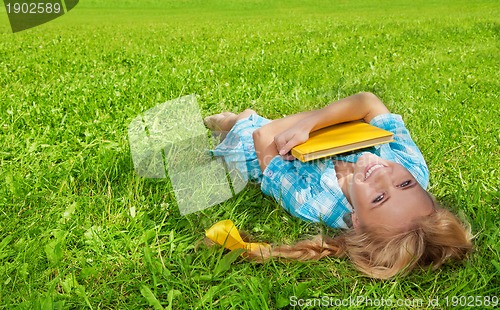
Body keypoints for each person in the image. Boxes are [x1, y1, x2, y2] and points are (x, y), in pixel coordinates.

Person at [204, 92, 472, 279]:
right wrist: (311, 122)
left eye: (378, 198)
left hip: (251, 152)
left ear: (356, 220)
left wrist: (325, 118)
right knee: (263, 122)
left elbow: (263, 136)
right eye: (405, 184)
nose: (383, 175)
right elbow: (368, 101)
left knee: (243, 124)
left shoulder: (313, 202)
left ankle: (227, 122)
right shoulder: (413, 166)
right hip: (307, 131)